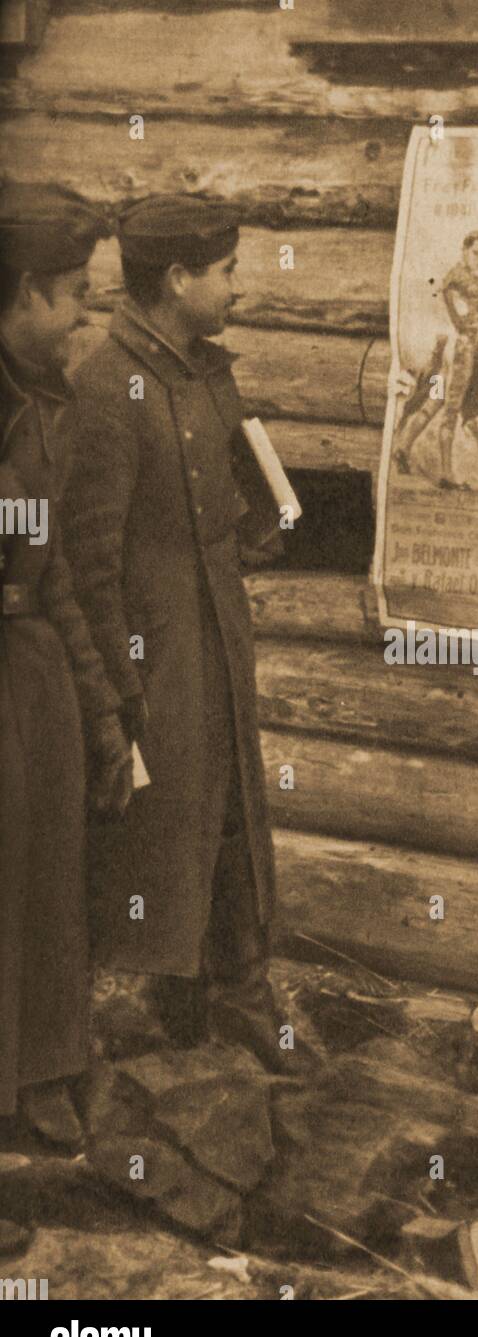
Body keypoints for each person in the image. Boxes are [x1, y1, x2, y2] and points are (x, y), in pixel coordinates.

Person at [59, 193, 285, 1071]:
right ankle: (158, 1020)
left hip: (216, 638)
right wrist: (121, 689)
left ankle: (240, 1000)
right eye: (226, 271)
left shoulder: (197, 371)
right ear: (180, 277)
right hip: (158, 655)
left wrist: (260, 518)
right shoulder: (107, 386)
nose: (238, 286)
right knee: (162, 833)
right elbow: (89, 559)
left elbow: (213, 499)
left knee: (231, 814)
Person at [0, 182, 132, 1168]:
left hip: (30, 670)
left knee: (47, 878)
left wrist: (103, 711)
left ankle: (41, 1073)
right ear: (26, 294)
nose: (85, 316)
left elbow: (60, 576)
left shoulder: (56, 406)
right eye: (73, 295)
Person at [393, 231, 478, 485]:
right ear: (464, 250)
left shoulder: (463, 277)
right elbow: (471, 312)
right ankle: (446, 474)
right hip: (461, 353)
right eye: (476, 253)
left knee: (434, 402)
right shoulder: (461, 277)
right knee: (450, 411)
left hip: (448, 353)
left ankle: (403, 447)